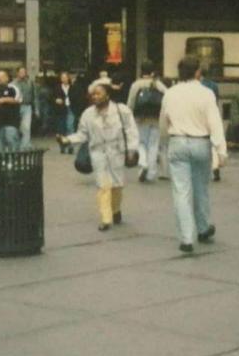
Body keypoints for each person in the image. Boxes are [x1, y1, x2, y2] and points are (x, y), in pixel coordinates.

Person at [159, 55, 227, 253]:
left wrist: (164, 140)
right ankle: (204, 227)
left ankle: (186, 237)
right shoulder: (206, 93)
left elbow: (164, 121)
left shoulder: (170, 93)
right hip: (201, 143)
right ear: (198, 72)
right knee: (201, 188)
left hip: (177, 141)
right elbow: (215, 122)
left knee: (181, 191)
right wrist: (220, 149)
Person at [67, 83, 139, 231]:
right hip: (98, 152)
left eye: (98, 93)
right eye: (93, 94)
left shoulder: (122, 110)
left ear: (107, 95)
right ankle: (106, 219)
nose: (95, 96)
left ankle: (116, 209)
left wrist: (132, 149)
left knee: (117, 185)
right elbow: (82, 134)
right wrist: (68, 140)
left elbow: (131, 130)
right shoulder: (88, 114)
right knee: (103, 185)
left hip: (116, 151)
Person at [127, 61, 169, 183]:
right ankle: (151, 173)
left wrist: (129, 118)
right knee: (153, 145)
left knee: (140, 143)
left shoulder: (136, 84)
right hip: (156, 118)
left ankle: (143, 163)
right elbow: (167, 96)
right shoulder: (158, 84)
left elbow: (131, 102)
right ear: (152, 71)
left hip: (140, 118)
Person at [198, 63, 223, 182]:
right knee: (213, 142)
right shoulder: (214, 85)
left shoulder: (198, 85)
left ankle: (203, 168)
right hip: (212, 114)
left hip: (200, 116)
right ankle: (215, 165)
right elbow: (217, 100)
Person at [0, 70, 22, 151]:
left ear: (7, 78)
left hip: (11, 121)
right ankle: (2, 161)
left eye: (2, 77)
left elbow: (18, 99)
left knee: (11, 140)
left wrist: (5, 99)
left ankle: (13, 160)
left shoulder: (13, 88)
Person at [53, 71, 77, 154]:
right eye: (62, 77)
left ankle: (70, 146)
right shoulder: (57, 88)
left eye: (65, 77)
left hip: (70, 108)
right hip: (60, 110)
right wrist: (56, 100)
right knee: (61, 129)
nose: (64, 79)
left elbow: (77, 98)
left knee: (70, 127)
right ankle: (62, 146)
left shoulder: (73, 87)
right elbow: (51, 98)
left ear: (68, 78)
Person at [13, 66, 36, 148]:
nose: (23, 73)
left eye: (24, 72)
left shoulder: (30, 82)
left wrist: (36, 109)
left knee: (26, 127)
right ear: (17, 73)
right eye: (21, 72)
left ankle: (24, 146)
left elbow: (34, 95)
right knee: (17, 127)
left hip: (27, 106)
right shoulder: (13, 83)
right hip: (16, 107)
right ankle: (18, 144)